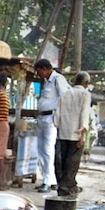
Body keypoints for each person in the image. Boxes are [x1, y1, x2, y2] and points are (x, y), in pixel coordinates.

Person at [32, 58, 70, 193]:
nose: (38, 75)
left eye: (39, 72)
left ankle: (47, 181)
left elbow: (65, 98)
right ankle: (49, 179)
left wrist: (59, 119)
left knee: (48, 150)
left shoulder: (57, 79)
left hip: (50, 118)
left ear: (44, 68)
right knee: (41, 150)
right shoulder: (47, 82)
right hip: (42, 117)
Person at [53, 71, 92, 197]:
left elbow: (57, 114)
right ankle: (66, 187)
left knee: (62, 161)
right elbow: (84, 115)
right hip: (76, 133)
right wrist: (83, 134)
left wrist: (58, 128)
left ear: (75, 82)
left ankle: (66, 185)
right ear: (86, 83)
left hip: (63, 132)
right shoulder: (85, 94)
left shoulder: (65, 93)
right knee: (72, 162)